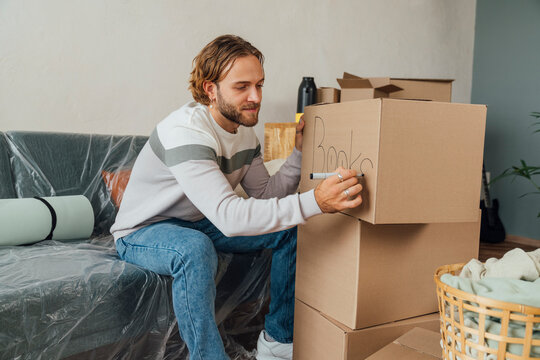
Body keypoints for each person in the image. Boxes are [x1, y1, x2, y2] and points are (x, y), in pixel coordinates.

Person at [110, 34, 363, 360]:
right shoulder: (186, 132)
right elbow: (230, 217)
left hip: (197, 220)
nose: (255, 96)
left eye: (259, 85)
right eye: (241, 87)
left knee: (289, 228)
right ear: (210, 90)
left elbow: (266, 194)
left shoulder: (244, 132)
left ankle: (277, 342)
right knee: (193, 249)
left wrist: (298, 154)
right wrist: (316, 201)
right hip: (144, 230)